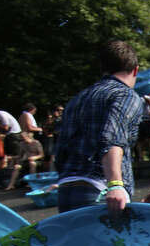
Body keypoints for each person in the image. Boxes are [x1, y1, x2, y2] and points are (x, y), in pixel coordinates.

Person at [55, 39, 143, 214]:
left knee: (78, 242)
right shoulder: (125, 95)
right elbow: (112, 139)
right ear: (135, 70)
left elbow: (61, 147)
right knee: (109, 242)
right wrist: (116, 184)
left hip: (66, 188)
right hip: (99, 190)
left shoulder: (78, 98)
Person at [4, 103, 44, 190]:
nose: (23, 138)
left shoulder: (36, 143)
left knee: (32, 163)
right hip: (25, 160)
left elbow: (41, 154)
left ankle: (32, 182)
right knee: (16, 166)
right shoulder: (22, 144)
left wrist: (34, 157)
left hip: (34, 160)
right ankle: (11, 184)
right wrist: (12, 157)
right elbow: (20, 155)